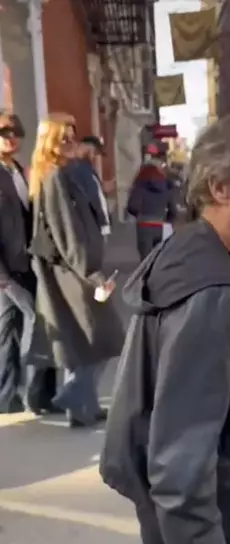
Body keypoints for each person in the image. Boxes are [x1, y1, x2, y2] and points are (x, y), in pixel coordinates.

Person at [100, 110, 230, 544]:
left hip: (194, 532)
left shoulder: (188, 253)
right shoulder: (212, 292)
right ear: (220, 188)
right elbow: (180, 473)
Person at [27, 113, 124, 428]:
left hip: (71, 271)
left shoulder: (59, 173)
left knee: (82, 341)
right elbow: (67, 233)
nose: (71, 143)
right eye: (63, 138)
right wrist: (93, 275)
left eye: (73, 136)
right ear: (50, 142)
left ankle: (83, 409)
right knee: (101, 339)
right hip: (73, 274)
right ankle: (72, 396)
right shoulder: (55, 176)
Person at [0, 111, 57, 414]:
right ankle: (9, 397)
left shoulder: (21, 171)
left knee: (35, 327)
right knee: (11, 331)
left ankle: (37, 395)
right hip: (5, 270)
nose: (10, 138)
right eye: (3, 133)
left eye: (15, 132)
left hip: (29, 263)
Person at [127, 144, 177, 260]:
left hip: (144, 225)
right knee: (158, 259)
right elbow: (173, 210)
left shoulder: (141, 182)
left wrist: (140, 215)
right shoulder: (165, 183)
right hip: (160, 225)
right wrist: (167, 219)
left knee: (146, 260)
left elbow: (133, 205)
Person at [74, 135, 112, 239]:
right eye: (94, 152)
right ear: (87, 147)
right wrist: (103, 222)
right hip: (90, 225)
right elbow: (93, 196)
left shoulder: (86, 167)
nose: (94, 157)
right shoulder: (80, 168)